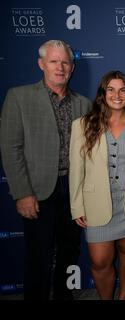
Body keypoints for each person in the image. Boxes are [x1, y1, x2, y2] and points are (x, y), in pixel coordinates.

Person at [0, 40, 91, 300]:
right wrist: (22, 193)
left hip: (73, 190)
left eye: (65, 62)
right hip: (38, 191)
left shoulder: (84, 104)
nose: (60, 68)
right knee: (39, 255)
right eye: (54, 61)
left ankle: (63, 297)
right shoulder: (19, 97)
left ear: (72, 68)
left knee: (69, 251)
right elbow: (11, 148)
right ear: (41, 64)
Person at [69, 71, 125, 300]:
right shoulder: (83, 125)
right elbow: (76, 169)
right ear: (103, 93)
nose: (117, 95)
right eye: (111, 89)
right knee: (100, 262)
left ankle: (123, 296)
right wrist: (77, 206)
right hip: (96, 202)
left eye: (122, 89)